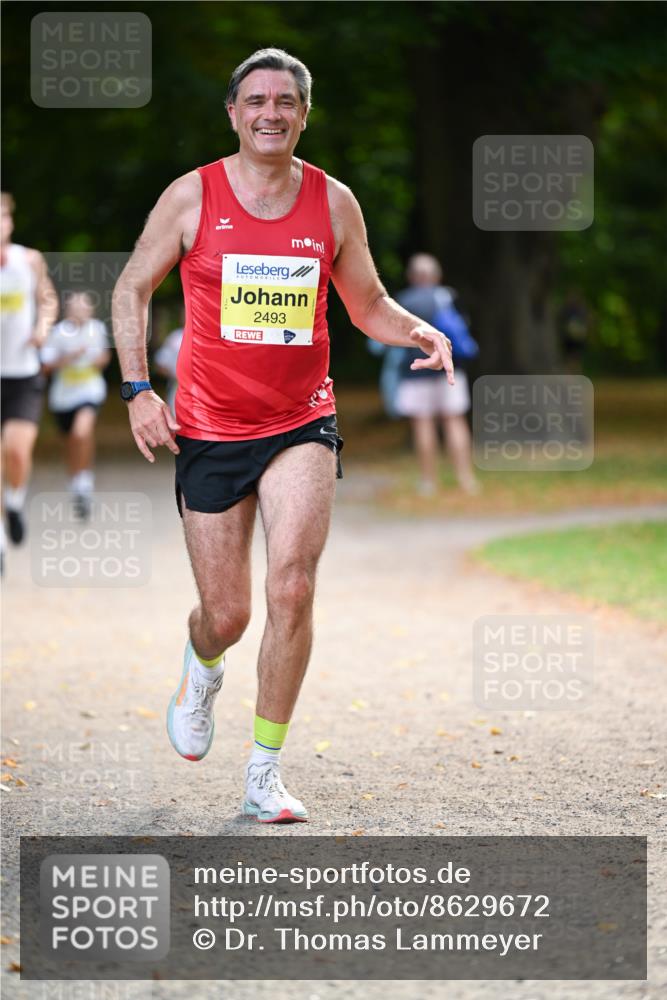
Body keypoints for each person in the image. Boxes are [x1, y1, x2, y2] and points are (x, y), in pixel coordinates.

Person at [112, 48, 453, 824]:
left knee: (292, 586)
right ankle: (202, 666)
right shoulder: (190, 196)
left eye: (286, 102)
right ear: (233, 113)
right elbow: (132, 285)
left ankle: (263, 772)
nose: (271, 112)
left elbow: (367, 305)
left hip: (301, 419)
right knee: (227, 613)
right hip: (208, 425)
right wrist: (137, 389)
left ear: (303, 115)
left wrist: (414, 329)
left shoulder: (333, 203)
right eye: (256, 100)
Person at [0, 191, 58, 551]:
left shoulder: (30, 260)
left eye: (3, 216)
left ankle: (15, 502)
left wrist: (43, 328)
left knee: (17, 451)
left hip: (22, 374)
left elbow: (48, 299)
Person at [394, 253, 479, 496]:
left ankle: (428, 482)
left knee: (423, 424)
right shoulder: (448, 296)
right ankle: (466, 479)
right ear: (436, 275)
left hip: (415, 371)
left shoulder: (403, 301)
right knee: (455, 421)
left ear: (412, 276)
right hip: (449, 370)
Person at [40, 291, 111, 519]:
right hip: (62, 397)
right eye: (75, 307)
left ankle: (85, 480)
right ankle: (76, 483)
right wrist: (69, 358)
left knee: (82, 433)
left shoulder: (97, 329)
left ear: (90, 310)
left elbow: (104, 359)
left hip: (90, 391)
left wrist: (96, 360)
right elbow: (46, 367)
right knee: (70, 442)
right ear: (67, 310)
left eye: (84, 307)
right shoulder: (57, 333)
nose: (80, 311)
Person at [153, 319, 183, 415]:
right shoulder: (175, 338)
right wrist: (175, 376)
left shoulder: (208, 336)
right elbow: (160, 363)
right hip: (177, 390)